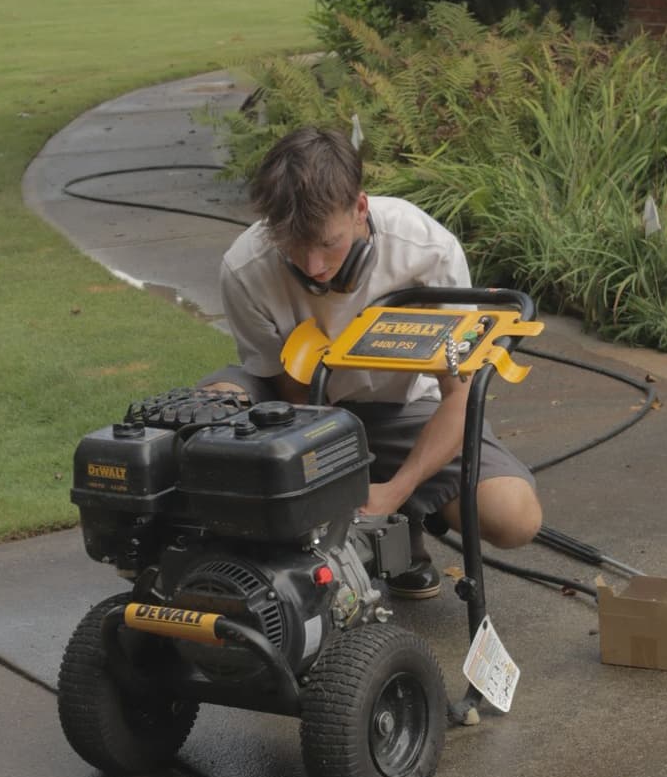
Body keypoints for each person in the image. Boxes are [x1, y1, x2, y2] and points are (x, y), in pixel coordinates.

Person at [200, 125, 542, 599]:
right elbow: (289, 393)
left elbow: (458, 397)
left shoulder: (426, 251)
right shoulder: (244, 268)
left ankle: (403, 525)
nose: (314, 266)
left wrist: (396, 491)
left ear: (360, 209)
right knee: (215, 404)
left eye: (328, 243)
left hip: (402, 406)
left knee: (514, 517)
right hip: (299, 401)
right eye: (294, 248)